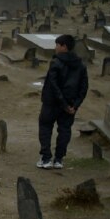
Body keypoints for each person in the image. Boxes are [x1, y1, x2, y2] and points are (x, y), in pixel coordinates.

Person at [37, 34, 89, 169]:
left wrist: (64, 104)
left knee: (45, 127)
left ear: (64, 46)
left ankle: (46, 158)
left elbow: (54, 86)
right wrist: (74, 106)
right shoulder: (81, 65)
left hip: (52, 103)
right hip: (70, 105)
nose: (55, 48)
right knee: (65, 130)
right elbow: (83, 88)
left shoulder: (56, 62)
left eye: (57, 45)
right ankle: (59, 159)